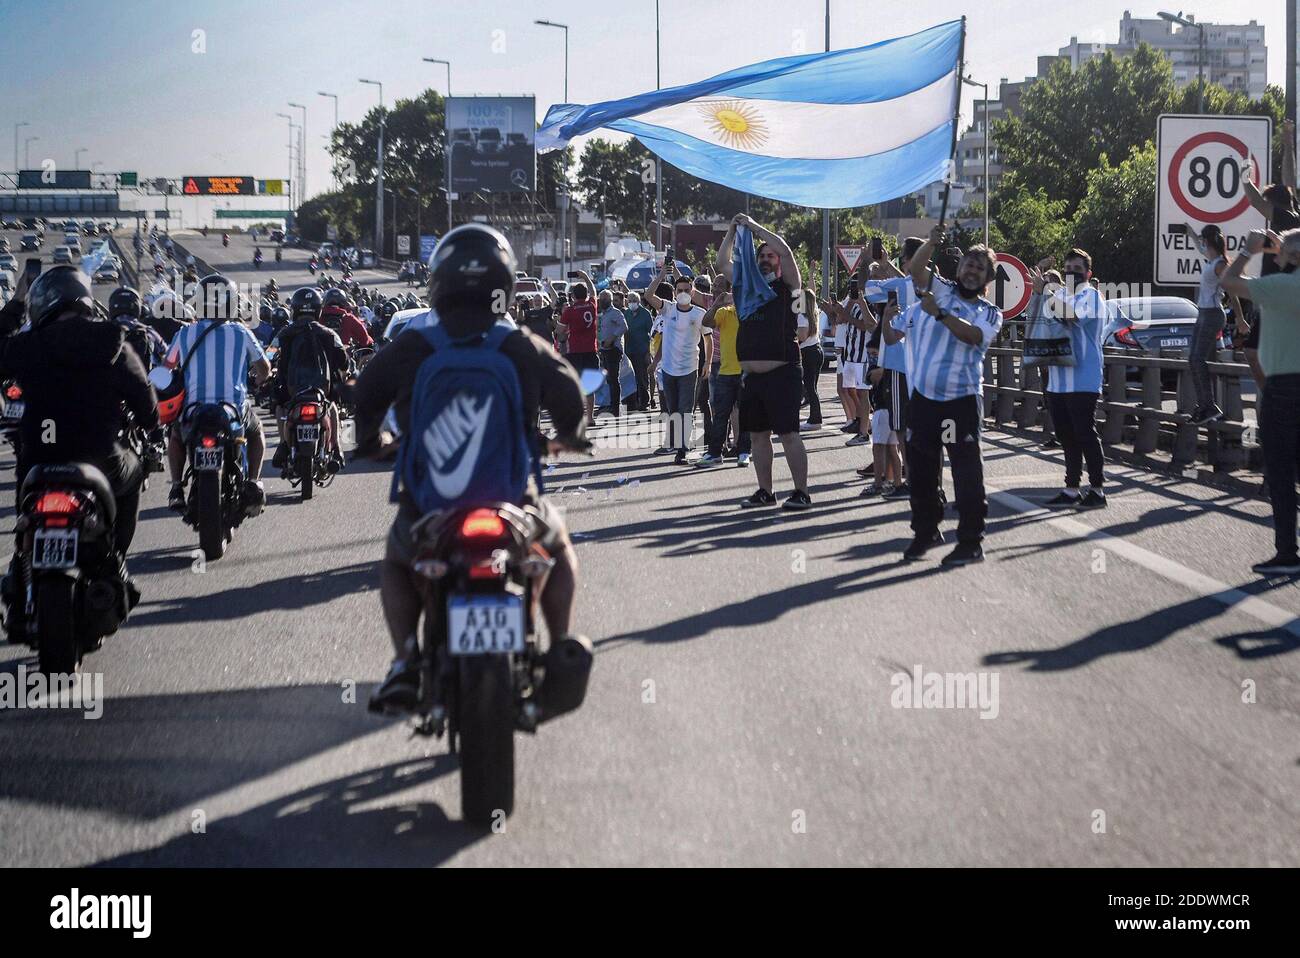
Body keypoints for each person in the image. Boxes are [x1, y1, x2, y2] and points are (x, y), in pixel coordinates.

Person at [352, 224, 588, 711]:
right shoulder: (519, 343)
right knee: (557, 545)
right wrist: (566, 438)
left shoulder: (416, 344)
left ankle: (406, 660)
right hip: (512, 503)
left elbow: (367, 393)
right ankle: (557, 644)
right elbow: (568, 392)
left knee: (398, 560)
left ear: (439, 283)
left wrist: (373, 443)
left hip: (429, 507)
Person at [0, 266, 158, 627]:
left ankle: (21, 561)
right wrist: (150, 425)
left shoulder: (26, 346)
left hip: (41, 458)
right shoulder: (113, 341)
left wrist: (16, 302)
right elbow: (146, 404)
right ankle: (116, 555)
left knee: (27, 511)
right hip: (103, 462)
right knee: (134, 476)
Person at [900, 224, 1004, 564]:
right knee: (921, 470)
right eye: (968, 265)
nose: (972, 271)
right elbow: (916, 270)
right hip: (925, 399)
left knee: (966, 471)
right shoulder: (941, 290)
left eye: (980, 268)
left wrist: (941, 314)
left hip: (960, 401)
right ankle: (926, 530)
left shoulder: (990, 312)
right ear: (958, 269)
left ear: (987, 278)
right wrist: (930, 242)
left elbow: (972, 336)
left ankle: (971, 540)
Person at [715, 213, 811, 509]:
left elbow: (786, 251)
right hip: (752, 378)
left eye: (771, 256)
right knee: (758, 437)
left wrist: (755, 227)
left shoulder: (788, 286)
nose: (768, 258)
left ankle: (801, 493)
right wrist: (732, 231)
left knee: (789, 434)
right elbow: (722, 264)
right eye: (762, 255)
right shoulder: (744, 287)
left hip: (783, 374)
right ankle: (766, 492)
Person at [1222, 228, 1300, 575]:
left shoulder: (1279, 288)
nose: (1276, 254)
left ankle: (1287, 552)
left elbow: (1228, 281)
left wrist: (1247, 250)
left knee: (1281, 472)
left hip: (1283, 386)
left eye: (1281, 251)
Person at [162, 274, 271, 513]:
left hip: (193, 411)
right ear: (231, 303)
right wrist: (259, 381)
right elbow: (264, 368)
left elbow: (165, 368)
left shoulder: (184, 334)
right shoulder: (240, 332)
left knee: (176, 435)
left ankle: (177, 487)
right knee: (256, 431)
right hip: (233, 410)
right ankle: (252, 482)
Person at [1028, 249, 1108, 508]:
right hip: (1058, 378)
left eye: (1077, 268)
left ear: (1088, 273)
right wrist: (1038, 292)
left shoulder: (1092, 296)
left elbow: (1071, 316)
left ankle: (1097, 490)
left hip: (1083, 377)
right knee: (1066, 436)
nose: (1072, 272)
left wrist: (1047, 293)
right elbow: (1036, 318)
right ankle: (1071, 488)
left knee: (1085, 433)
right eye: (1068, 267)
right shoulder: (1059, 294)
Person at [270, 287, 348, 471]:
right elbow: (344, 360)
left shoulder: (284, 334)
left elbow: (269, 355)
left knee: (280, 406)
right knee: (333, 406)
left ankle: (283, 445)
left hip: (291, 389)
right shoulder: (330, 334)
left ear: (295, 310)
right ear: (318, 309)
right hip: (322, 388)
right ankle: (336, 447)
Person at [645, 264, 707, 464]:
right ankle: (680, 443)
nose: (683, 293)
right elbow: (648, 295)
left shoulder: (699, 313)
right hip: (669, 369)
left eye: (686, 290)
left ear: (692, 292)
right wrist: (663, 274)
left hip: (689, 368)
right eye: (679, 290)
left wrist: (708, 364)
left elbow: (708, 338)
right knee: (673, 410)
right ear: (675, 292)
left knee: (685, 409)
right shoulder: (667, 309)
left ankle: (683, 449)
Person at [696, 276, 751, 468]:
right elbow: (707, 321)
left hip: (746, 371)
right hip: (726, 371)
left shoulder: (750, 313)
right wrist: (717, 303)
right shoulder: (724, 312)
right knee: (720, 414)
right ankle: (714, 453)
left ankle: (744, 451)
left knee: (744, 414)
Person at [1187, 224, 1229, 425]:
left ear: (1208, 240)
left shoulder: (1220, 264)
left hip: (1213, 313)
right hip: (1202, 312)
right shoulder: (1211, 259)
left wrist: (1239, 317)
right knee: (1192, 359)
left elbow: (1233, 289)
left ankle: (1209, 405)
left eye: (1203, 239)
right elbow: (1199, 246)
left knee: (1197, 358)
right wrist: (1190, 232)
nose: (1201, 243)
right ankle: (1204, 405)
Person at [557, 269, 600, 423]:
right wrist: (586, 277)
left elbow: (559, 330)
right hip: (591, 350)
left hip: (575, 351)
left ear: (573, 296)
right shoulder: (592, 306)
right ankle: (590, 418)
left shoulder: (569, 311)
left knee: (574, 385)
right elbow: (594, 291)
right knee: (590, 386)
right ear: (585, 295)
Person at [596, 290, 627, 419]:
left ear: (609, 300)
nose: (601, 301)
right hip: (604, 350)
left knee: (614, 379)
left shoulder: (615, 313)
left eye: (604, 299)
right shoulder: (602, 315)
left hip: (614, 349)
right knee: (608, 379)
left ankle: (616, 407)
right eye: (600, 299)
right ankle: (608, 404)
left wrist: (612, 338)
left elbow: (624, 326)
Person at [798, 288, 824, 431]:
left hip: (808, 352)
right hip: (817, 350)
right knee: (812, 387)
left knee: (810, 387)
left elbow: (802, 336)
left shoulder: (802, 316)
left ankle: (815, 419)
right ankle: (814, 417)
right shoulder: (814, 313)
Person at [623, 291, 653, 411]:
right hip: (629, 350)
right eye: (629, 301)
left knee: (642, 377)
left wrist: (648, 352)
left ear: (638, 301)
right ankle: (633, 402)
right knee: (630, 377)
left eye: (633, 301)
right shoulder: (626, 313)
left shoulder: (645, 314)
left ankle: (645, 401)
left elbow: (652, 333)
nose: (631, 303)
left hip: (642, 350)